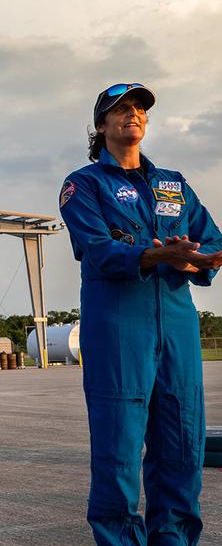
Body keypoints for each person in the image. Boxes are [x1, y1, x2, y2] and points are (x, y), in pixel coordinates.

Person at [59, 82, 222, 545]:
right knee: (119, 451)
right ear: (101, 125)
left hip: (176, 326)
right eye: (122, 109)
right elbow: (100, 251)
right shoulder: (83, 185)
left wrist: (196, 258)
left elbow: (211, 237)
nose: (133, 115)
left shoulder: (172, 182)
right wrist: (153, 257)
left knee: (182, 444)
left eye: (139, 110)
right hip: (117, 329)